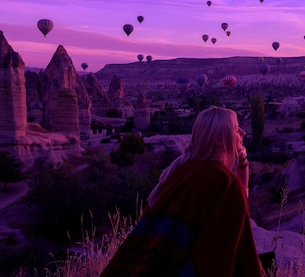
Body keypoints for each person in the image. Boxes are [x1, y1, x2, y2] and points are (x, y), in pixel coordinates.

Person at [101, 106, 263, 277]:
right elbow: (226, 254)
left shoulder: (182, 171)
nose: (243, 133)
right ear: (219, 139)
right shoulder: (224, 183)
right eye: (236, 128)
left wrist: (243, 160)